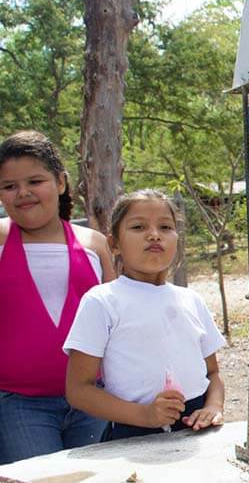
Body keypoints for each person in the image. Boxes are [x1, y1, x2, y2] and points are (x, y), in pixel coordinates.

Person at [64, 189, 226, 441]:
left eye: (165, 227)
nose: (154, 235)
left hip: (199, 432)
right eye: (138, 227)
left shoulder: (191, 300)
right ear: (114, 244)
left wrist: (213, 407)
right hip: (132, 435)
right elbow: (78, 390)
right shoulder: (102, 301)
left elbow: (213, 375)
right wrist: (145, 415)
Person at [0, 131, 114, 464]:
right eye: (9, 186)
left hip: (94, 400)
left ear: (61, 182)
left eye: (36, 181)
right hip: (19, 404)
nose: (24, 193)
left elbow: (117, 322)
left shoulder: (94, 243)